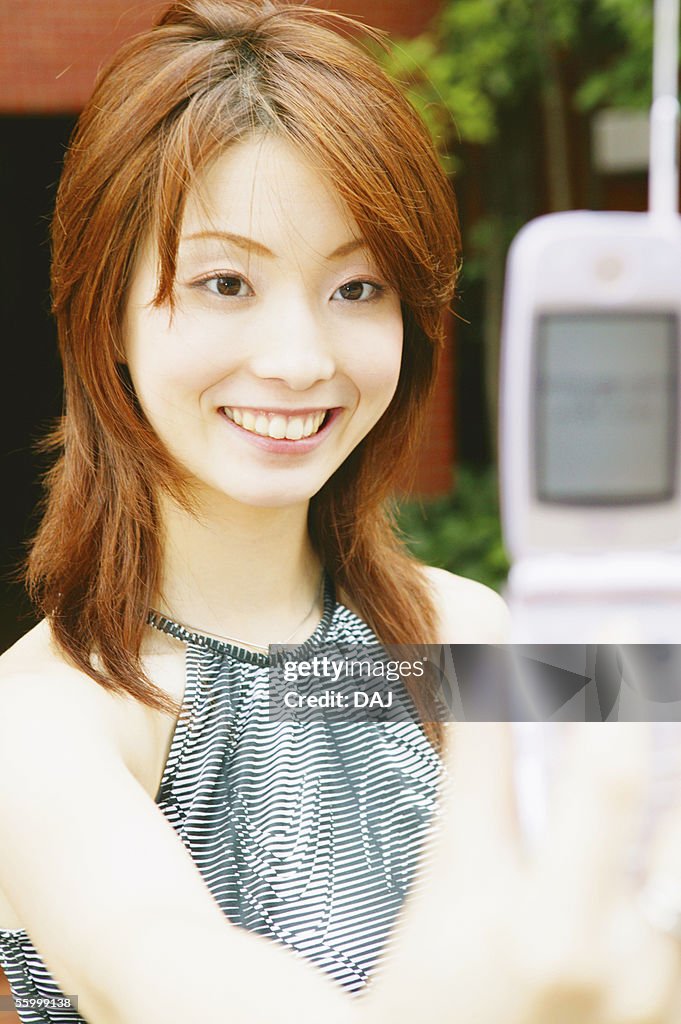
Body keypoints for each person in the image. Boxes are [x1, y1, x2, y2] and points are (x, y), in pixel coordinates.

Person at [0, 2, 680, 1023]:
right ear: (109, 316)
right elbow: (161, 967)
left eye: (357, 287)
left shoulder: (470, 632)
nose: (301, 359)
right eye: (226, 281)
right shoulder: (48, 715)